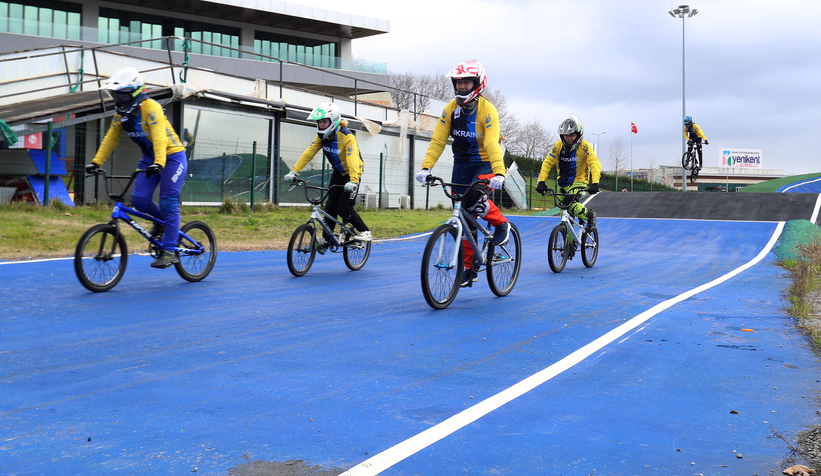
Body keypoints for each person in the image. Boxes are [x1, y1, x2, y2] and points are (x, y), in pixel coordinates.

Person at [414, 59, 510, 287]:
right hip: (461, 165)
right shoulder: (450, 109)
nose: (461, 87)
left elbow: (492, 143)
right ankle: (470, 268)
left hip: (485, 163)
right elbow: (438, 141)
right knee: (463, 218)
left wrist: (499, 172)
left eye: (466, 82)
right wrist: (426, 167)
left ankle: (501, 224)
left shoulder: (487, 110)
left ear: (477, 84)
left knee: (474, 197)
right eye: (458, 83)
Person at [85, 67, 187, 269]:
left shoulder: (151, 107)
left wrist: (159, 163)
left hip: (172, 156)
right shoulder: (121, 115)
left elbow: (159, 138)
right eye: (116, 96)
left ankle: (169, 251)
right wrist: (96, 162)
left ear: (135, 93)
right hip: (150, 158)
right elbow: (110, 139)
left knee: (168, 202)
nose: (119, 100)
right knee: (139, 200)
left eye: (123, 95)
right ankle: (162, 223)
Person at [283, 102, 371, 254]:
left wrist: (353, 180)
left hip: (353, 173)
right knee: (330, 206)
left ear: (334, 121)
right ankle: (326, 239)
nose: (322, 125)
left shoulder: (347, 136)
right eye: (320, 122)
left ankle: (364, 231)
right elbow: (309, 153)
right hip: (338, 172)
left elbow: (352, 159)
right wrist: (294, 172)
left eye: (325, 121)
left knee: (344, 208)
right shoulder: (321, 137)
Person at [535, 116, 602, 231]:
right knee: (565, 214)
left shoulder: (584, 146)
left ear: (578, 134)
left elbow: (594, 163)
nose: (569, 138)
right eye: (566, 135)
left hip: (579, 181)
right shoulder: (558, 146)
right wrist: (541, 181)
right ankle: (569, 241)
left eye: (572, 135)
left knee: (570, 204)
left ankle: (590, 215)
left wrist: (595, 182)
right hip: (562, 183)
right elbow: (547, 162)